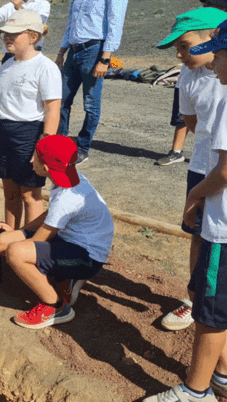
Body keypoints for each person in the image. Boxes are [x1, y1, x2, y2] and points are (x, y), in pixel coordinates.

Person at [142, 21, 227, 402]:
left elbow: (225, 170)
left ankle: (196, 391)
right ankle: (222, 374)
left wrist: (196, 193)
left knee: (211, 310)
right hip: (216, 203)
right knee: (219, 298)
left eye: (220, 55)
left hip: (222, 220)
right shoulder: (194, 81)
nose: (212, 63)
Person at [0, 135, 114, 329]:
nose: (31, 160)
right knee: (6, 238)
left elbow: (33, 244)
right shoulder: (68, 176)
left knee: (15, 252)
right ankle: (64, 278)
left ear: (45, 168)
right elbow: (51, 214)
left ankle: (55, 306)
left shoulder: (68, 198)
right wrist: (18, 232)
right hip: (70, 242)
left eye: (35, 157)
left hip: (86, 259)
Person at [154, 8, 227, 332]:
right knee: (197, 232)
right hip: (202, 166)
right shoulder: (186, 76)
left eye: (185, 46)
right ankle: (194, 298)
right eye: (178, 50)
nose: (181, 55)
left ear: (212, 37)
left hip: (223, 170)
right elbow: (193, 123)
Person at [0, 10, 61, 229]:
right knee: (10, 193)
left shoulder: (45, 68)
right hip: (5, 134)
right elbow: (0, 104)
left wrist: (43, 150)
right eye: (5, 33)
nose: (7, 37)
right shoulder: (6, 67)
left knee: (30, 195)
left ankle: (30, 245)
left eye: (14, 33)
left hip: (29, 135)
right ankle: (9, 239)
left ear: (33, 37)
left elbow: (52, 110)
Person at [55, 0, 129, 164]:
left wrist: (105, 59)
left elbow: (115, 25)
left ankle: (82, 147)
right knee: (61, 99)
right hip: (74, 50)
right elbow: (71, 23)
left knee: (91, 103)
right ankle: (60, 142)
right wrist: (61, 52)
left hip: (94, 50)